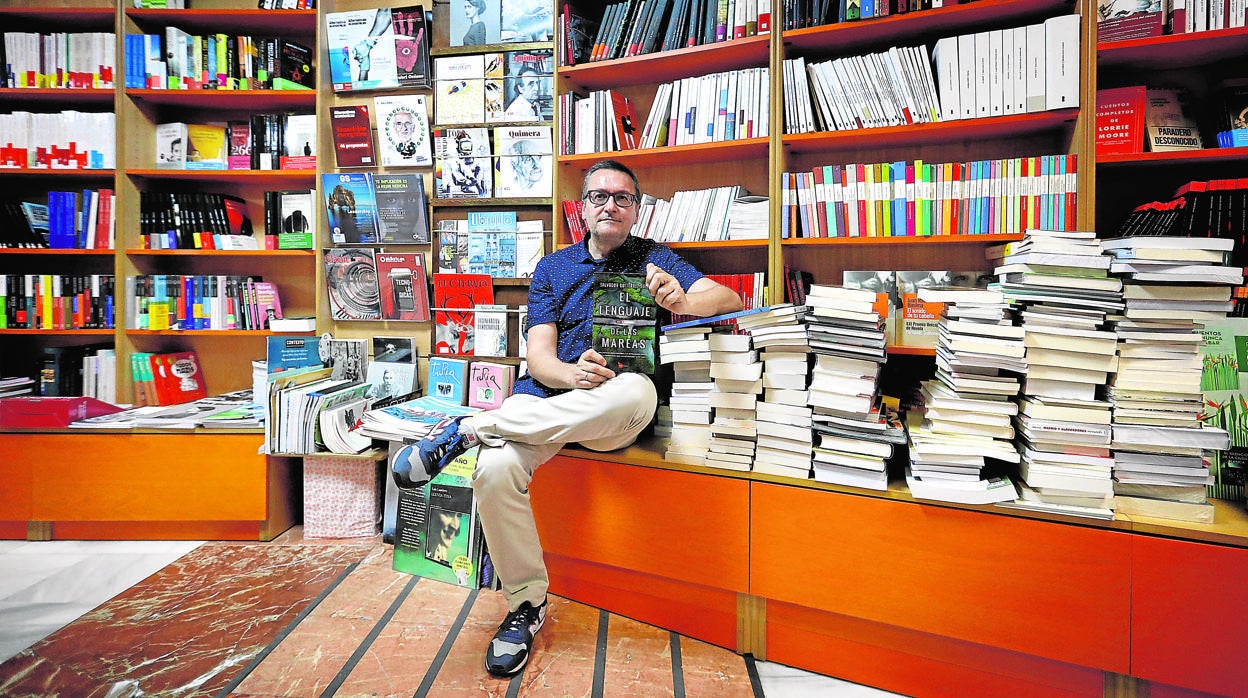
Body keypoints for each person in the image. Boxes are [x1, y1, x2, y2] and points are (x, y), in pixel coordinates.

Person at [392, 160, 742, 677]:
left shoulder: (655, 258)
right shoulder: (553, 268)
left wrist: (683, 297)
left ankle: (472, 428)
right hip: (551, 398)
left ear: (636, 209)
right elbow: (538, 359)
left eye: (623, 198)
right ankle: (525, 604)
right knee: (493, 471)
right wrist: (570, 375)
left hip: (613, 410)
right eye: (600, 196)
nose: (611, 205)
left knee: (635, 393)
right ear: (583, 207)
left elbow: (729, 297)